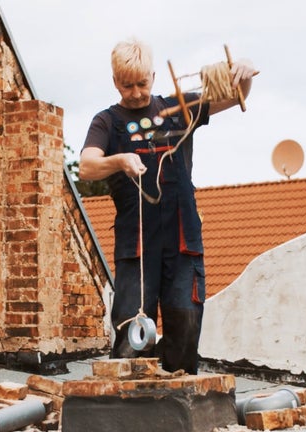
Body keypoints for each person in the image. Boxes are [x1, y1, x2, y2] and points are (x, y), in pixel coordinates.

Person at [79, 38, 256, 374]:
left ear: (154, 76)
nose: (135, 92)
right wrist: (119, 159)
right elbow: (87, 166)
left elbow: (235, 95)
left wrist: (243, 71)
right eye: (126, 84)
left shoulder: (178, 109)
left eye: (142, 83)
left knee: (186, 326)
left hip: (182, 240)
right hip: (137, 247)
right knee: (132, 337)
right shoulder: (106, 122)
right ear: (115, 81)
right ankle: (128, 413)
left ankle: (178, 407)